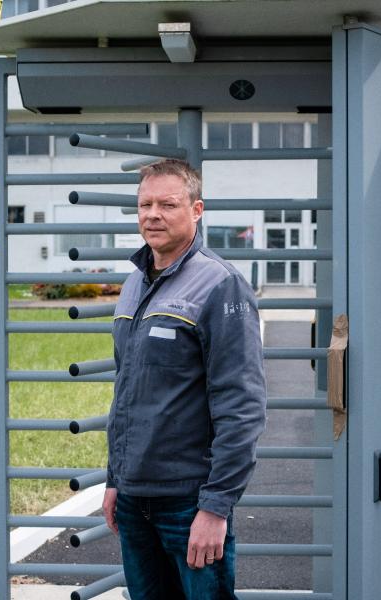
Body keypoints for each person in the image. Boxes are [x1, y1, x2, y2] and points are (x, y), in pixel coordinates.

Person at [103, 159, 267, 599]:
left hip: (189, 502)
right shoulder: (135, 282)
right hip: (136, 501)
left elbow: (242, 406)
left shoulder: (221, 285)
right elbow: (127, 394)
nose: (152, 214)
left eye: (168, 204)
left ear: (197, 210)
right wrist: (115, 479)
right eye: (145, 204)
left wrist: (216, 507)